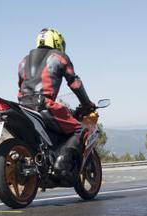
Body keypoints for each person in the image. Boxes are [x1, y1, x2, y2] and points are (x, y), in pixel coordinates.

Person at [17, 28, 96, 174]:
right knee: (80, 129)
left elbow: (20, 85)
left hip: (22, 106)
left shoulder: (23, 61)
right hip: (44, 105)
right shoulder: (59, 57)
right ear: (56, 41)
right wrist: (87, 103)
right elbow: (74, 83)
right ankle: (61, 162)